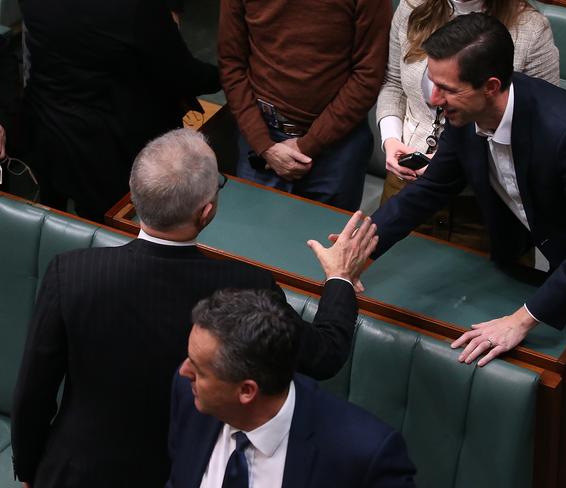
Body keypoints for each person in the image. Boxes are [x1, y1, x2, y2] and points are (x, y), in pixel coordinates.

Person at [369, 13, 566, 485]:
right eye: (431, 84)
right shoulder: (465, 117)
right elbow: (426, 194)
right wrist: (363, 245)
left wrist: (521, 320)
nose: (433, 100)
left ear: (492, 85)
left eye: (446, 89)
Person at [11, 129, 378, 488]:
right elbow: (325, 354)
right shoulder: (250, 287)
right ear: (206, 213)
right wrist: (340, 277)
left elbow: (33, 394)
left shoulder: (70, 274)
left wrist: (29, 470)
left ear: (136, 197)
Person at [166, 288, 417, 488]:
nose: (183, 371)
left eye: (199, 370)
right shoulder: (190, 395)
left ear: (246, 391)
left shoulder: (365, 455)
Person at [377, 0, 559, 250]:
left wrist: (446, 164)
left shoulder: (531, 29)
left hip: (485, 200)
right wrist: (390, 139)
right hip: (406, 184)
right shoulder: (412, 6)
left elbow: (539, 121)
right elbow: (394, 83)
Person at [19, 0, 220, 221]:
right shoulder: (134, 7)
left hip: (49, 130)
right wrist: (227, 74)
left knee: (54, 222)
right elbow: (181, 74)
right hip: (112, 149)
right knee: (114, 236)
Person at [218, 0, 392, 211]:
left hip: (338, 143)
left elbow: (369, 75)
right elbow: (231, 63)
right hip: (262, 138)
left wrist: (308, 144)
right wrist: (263, 144)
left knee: (330, 239)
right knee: (251, 238)